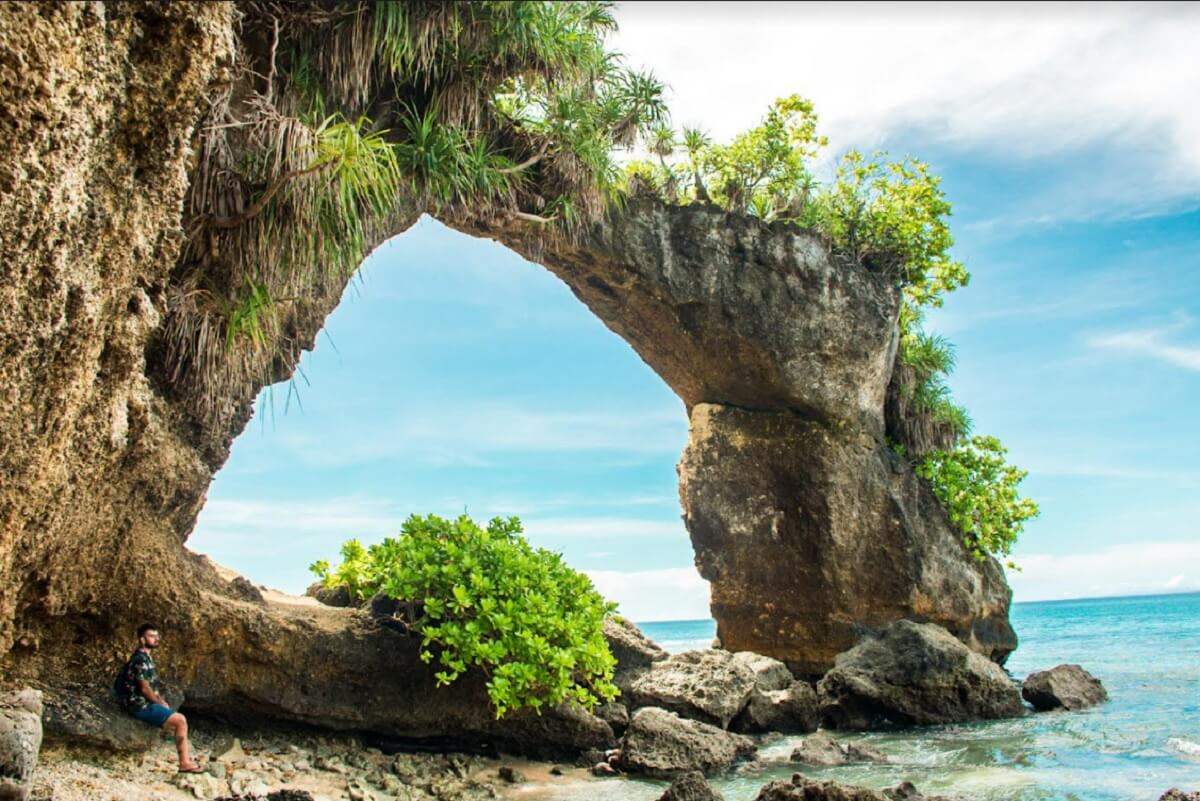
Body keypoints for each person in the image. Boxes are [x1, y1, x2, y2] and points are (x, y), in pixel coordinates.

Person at [115, 623, 202, 773]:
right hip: (138, 705)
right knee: (180, 720)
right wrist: (159, 702)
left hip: (142, 703)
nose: (156, 639)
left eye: (157, 636)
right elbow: (144, 688)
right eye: (151, 636)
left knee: (174, 723)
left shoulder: (146, 658)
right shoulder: (140, 660)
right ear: (142, 639)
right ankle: (184, 763)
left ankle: (180, 756)